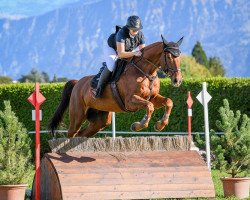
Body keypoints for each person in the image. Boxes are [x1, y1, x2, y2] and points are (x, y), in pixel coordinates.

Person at [95, 15, 145, 98]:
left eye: (137, 29)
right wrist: (134, 53)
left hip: (128, 50)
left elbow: (143, 52)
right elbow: (121, 54)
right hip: (112, 48)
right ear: (129, 27)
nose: (136, 32)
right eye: (133, 29)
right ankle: (99, 89)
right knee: (111, 66)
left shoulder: (140, 35)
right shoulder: (121, 34)